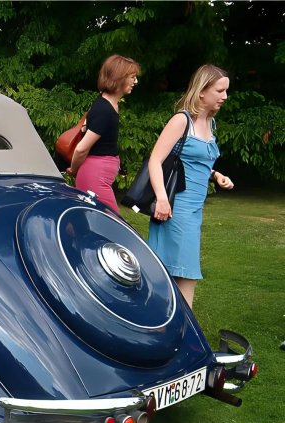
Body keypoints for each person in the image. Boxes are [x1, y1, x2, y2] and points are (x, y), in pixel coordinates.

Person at [147, 64, 234, 308]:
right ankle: (183, 325)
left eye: (226, 91)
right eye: (220, 91)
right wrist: (162, 198)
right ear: (202, 91)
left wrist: (215, 175)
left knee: (178, 272)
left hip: (195, 209)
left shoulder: (210, 122)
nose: (225, 97)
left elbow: (192, 162)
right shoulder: (181, 120)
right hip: (177, 208)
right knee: (184, 273)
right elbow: (155, 160)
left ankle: (172, 322)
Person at [66, 54, 140, 214]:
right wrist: (73, 169)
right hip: (94, 177)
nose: (135, 82)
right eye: (132, 77)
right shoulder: (104, 110)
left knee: (94, 222)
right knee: (111, 221)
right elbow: (81, 148)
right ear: (119, 77)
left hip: (98, 175)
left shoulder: (110, 105)